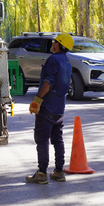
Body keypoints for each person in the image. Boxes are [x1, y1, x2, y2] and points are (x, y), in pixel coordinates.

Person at [25, 32, 74, 184]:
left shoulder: (53, 59)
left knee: (42, 139)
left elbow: (48, 82)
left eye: (54, 42)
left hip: (47, 107)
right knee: (58, 140)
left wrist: (38, 99)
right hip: (59, 108)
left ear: (58, 44)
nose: (52, 44)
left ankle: (41, 172)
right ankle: (59, 171)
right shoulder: (67, 62)